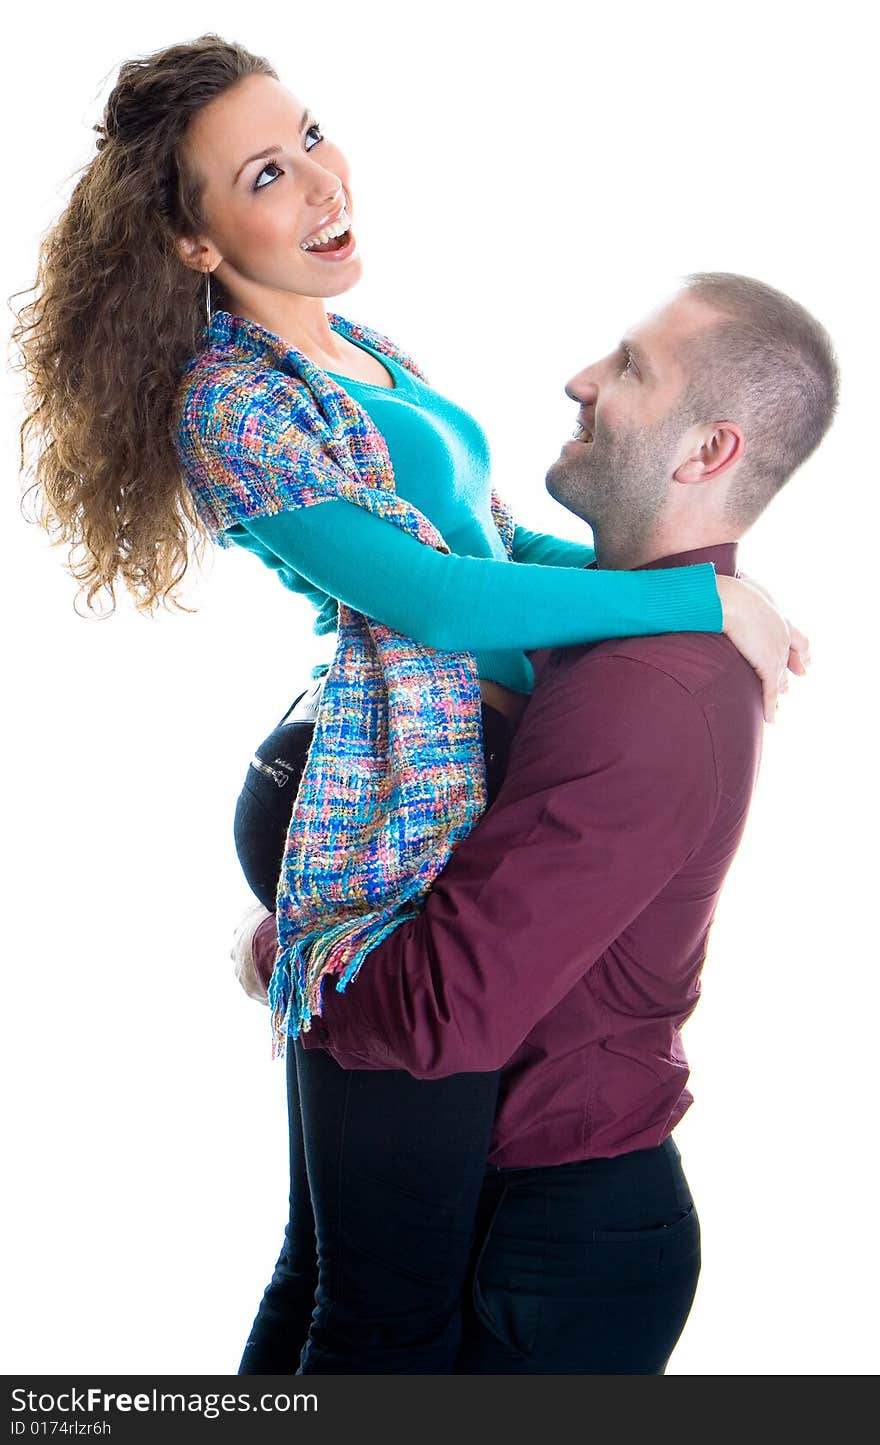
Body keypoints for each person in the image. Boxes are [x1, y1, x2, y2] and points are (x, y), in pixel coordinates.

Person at [11, 33, 798, 1374]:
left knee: (332, 1264)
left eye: (311, 134)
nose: (321, 184)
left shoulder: (358, 346)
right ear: (196, 245)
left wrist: (709, 585)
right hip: (369, 813)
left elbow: (485, 545)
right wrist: (691, 604)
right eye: (266, 173)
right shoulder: (235, 405)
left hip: (414, 797)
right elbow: (436, 604)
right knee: (385, 1310)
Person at [242, 271, 839, 1373]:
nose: (580, 380)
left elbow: (444, 1012)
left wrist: (285, 946)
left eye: (629, 367)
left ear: (705, 452)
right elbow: (461, 569)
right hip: (496, 1199)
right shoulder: (596, 625)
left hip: (550, 1252)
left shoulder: (647, 693)